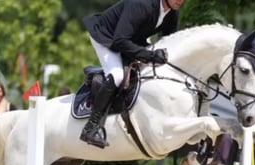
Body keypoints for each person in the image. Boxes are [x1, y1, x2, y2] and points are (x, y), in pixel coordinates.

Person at [80, 0, 186, 148]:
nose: (181, 0)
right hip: (107, 36)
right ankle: (91, 128)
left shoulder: (172, 12)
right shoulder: (142, 4)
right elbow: (120, 41)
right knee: (117, 75)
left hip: (132, 38)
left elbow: (168, 42)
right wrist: (149, 55)